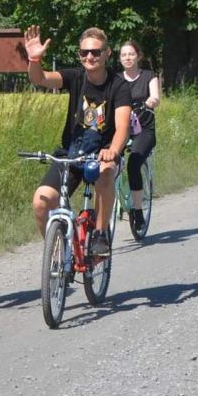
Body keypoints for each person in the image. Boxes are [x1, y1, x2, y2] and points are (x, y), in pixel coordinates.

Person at [23, 25, 132, 256]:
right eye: (84, 53)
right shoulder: (75, 77)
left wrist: (113, 150)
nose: (89, 57)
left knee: (104, 175)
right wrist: (34, 59)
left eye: (95, 52)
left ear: (107, 53)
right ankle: (58, 255)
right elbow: (40, 78)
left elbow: (122, 127)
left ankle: (101, 234)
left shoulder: (119, 85)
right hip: (71, 153)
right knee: (41, 202)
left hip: (101, 154)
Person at [119, 40, 160, 232]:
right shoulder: (116, 80)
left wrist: (152, 101)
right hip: (121, 129)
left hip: (144, 129)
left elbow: (155, 97)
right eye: (123, 55)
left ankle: (137, 211)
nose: (127, 58)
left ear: (138, 56)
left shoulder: (149, 76)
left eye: (131, 54)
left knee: (133, 163)